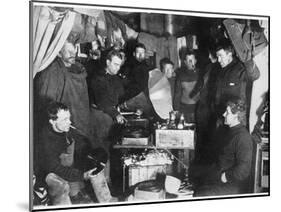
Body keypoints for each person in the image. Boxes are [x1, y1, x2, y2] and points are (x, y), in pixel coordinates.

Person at [35, 102, 109, 205]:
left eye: (69, 118)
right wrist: (82, 175)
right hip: (47, 173)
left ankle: (107, 202)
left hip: (65, 166)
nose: (69, 122)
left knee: (95, 166)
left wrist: (94, 159)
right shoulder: (45, 142)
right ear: (52, 121)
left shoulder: (66, 129)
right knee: (60, 184)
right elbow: (56, 169)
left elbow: (84, 142)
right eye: (65, 119)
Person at [190, 97, 253, 197]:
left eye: (227, 113)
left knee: (199, 194)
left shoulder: (243, 137)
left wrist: (225, 176)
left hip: (231, 185)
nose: (223, 115)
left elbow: (243, 170)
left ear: (236, 115)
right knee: (193, 181)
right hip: (219, 176)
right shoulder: (229, 131)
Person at [34, 40, 91, 138]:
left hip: (79, 121)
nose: (73, 54)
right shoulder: (52, 72)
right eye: (69, 52)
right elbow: (46, 103)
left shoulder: (79, 70)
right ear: (59, 53)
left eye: (74, 51)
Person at [173, 49, 200, 122]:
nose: (191, 62)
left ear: (196, 60)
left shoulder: (201, 74)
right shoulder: (180, 75)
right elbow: (177, 94)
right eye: (188, 60)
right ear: (185, 62)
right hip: (184, 110)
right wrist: (176, 110)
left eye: (192, 59)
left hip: (198, 110)